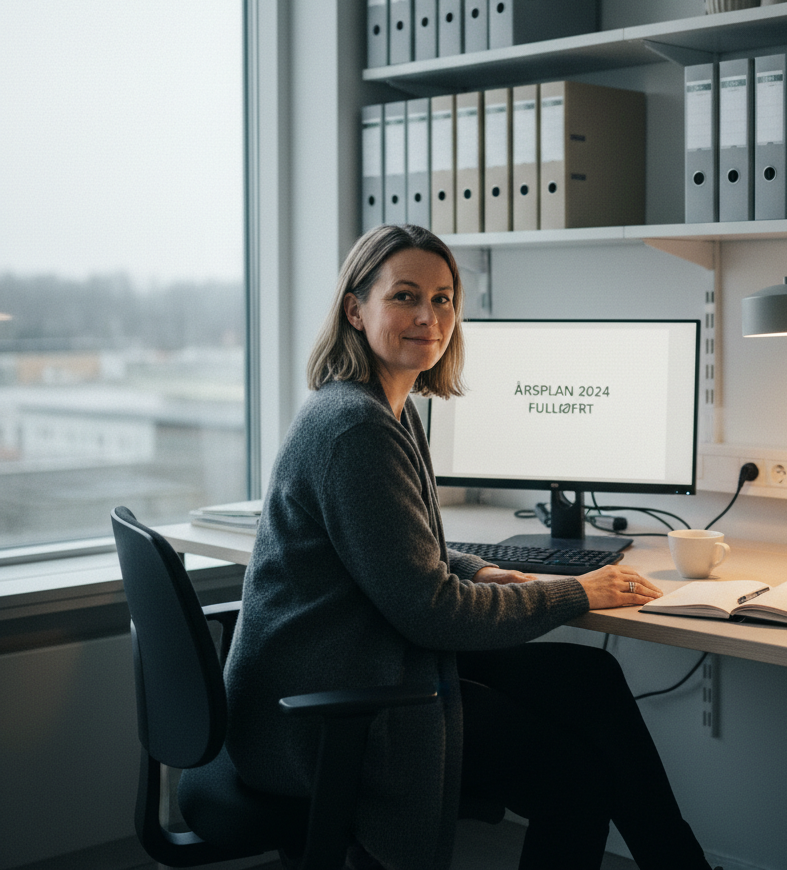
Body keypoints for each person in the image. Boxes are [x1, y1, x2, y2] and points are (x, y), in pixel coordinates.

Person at [223, 225, 718, 870]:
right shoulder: (357, 429)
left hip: (360, 663)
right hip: (326, 710)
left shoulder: (383, 406)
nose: (430, 317)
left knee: (592, 678)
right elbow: (432, 611)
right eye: (405, 296)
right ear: (355, 309)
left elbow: (399, 552)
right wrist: (575, 592)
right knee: (575, 776)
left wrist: (480, 567)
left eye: (445, 299)